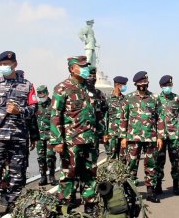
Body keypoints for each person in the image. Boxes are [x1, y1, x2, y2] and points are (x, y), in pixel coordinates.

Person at [0, 51, 38, 218]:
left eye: (6, 64)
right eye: (1, 65)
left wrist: (20, 111)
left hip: (19, 136)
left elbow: (34, 110)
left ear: (15, 64)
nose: (4, 67)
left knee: (18, 171)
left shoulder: (27, 85)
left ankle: (12, 203)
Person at [50, 56, 101, 216]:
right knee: (68, 173)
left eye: (86, 66)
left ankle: (90, 204)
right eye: (82, 66)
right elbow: (55, 115)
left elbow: (97, 115)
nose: (86, 68)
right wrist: (57, 140)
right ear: (72, 69)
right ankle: (65, 203)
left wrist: (101, 134)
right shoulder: (62, 88)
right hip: (71, 140)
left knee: (90, 173)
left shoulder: (91, 89)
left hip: (90, 139)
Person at [120, 71, 164, 203]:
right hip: (133, 138)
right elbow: (124, 118)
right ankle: (131, 192)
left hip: (151, 137)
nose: (143, 86)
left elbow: (160, 118)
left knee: (151, 165)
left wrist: (160, 136)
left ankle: (150, 192)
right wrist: (123, 137)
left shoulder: (155, 98)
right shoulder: (128, 98)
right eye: (140, 84)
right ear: (136, 84)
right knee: (131, 165)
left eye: (145, 83)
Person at [155, 75, 179, 196]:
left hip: (174, 136)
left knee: (175, 162)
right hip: (160, 136)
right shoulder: (156, 99)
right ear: (161, 87)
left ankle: (176, 185)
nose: (168, 87)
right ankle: (158, 185)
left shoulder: (177, 98)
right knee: (159, 162)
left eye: (169, 85)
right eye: (165, 86)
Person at [35, 85, 58, 186]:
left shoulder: (53, 105)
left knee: (50, 157)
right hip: (39, 136)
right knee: (41, 158)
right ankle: (43, 177)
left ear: (47, 93)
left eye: (42, 93)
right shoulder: (36, 106)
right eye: (39, 94)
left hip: (50, 136)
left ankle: (52, 176)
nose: (41, 96)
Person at [103, 76, 129, 161]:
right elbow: (104, 117)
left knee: (123, 159)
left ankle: (122, 175)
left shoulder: (125, 100)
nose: (125, 86)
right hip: (111, 135)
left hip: (123, 135)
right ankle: (110, 175)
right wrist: (104, 134)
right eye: (124, 85)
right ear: (118, 85)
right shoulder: (107, 99)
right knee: (111, 159)